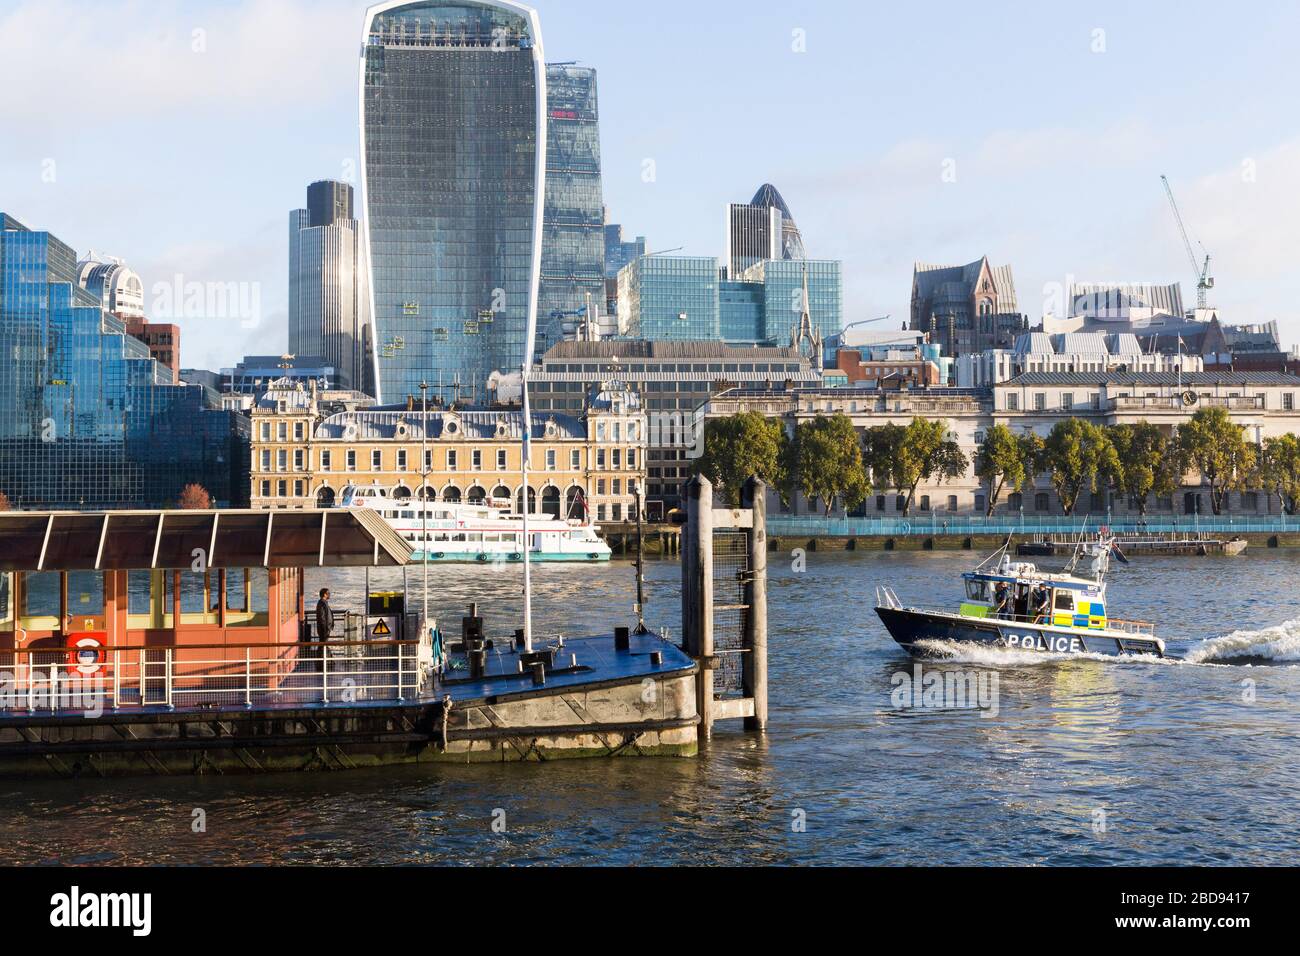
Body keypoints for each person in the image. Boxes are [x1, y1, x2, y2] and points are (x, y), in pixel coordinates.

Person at [314, 589, 334, 667]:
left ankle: (323, 661)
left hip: (326, 628)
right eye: (328, 593)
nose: (329, 594)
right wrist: (325, 628)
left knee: (323, 645)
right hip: (324, 629)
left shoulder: (324, 603)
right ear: (324, 595)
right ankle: (322, 663)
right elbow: (322, 617)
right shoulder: (322, 603)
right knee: (322, 645)